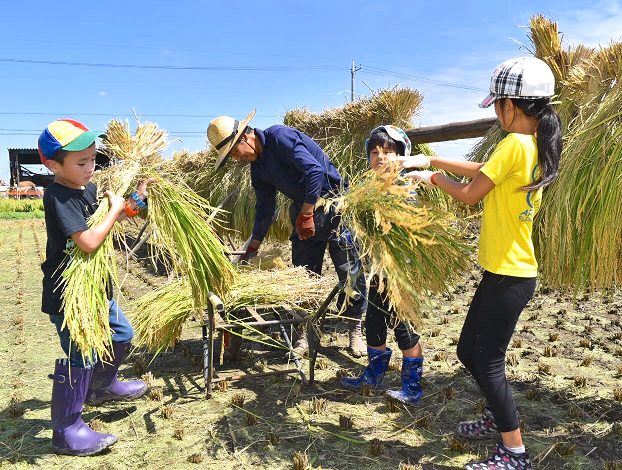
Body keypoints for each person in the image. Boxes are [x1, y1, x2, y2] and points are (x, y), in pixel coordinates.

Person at [402, 57, 562, 470]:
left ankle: (515, 452)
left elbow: (473, 192)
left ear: (511, 104)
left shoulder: (514, 144)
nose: (494, 111)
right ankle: (497, 416)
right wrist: (432, 162)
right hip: (506, 272)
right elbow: (486, 172)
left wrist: (434, 180)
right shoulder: (531, 144)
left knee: (487, 360)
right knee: (467, 351)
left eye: (497, 104)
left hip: (511, 274)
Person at [207, 111, 367, 357]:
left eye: (234, 153)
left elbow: (314, 171)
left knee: (349, 273)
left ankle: (355, 329)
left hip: (335, 206)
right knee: (303, 275)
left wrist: (306, 214)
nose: (236, 159)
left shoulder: (280, 137)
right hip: (304, 210)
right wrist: (253, 246)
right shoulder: (257, 169)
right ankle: (303, 333)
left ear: (245, 138)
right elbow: (264, 209)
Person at [39, 119, 151, 456]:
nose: (90, 168)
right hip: (70, 295)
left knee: (121, 336)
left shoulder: (86, 189)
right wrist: (115, 208)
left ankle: (102, 387)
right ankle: (67, 430)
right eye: (81, 162)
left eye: (93, 159)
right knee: (81, 357)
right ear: (52, 165)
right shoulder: (59, 196)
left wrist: (135, 200)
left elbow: (113, 216)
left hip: (97, 289)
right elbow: (88, 241)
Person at [340, 125, 428, 406]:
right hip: (377, 271)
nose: (380, 157)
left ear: (402, 156)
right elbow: (356, 225)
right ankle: (373, 375)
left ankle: (412, 388)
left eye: (388, 152)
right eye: (375, 152)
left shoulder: (405, 187)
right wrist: (349, 233)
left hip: (401, 273)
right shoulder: (365, 189)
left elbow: (407, 226)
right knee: (374, 324)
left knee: (405, 329)